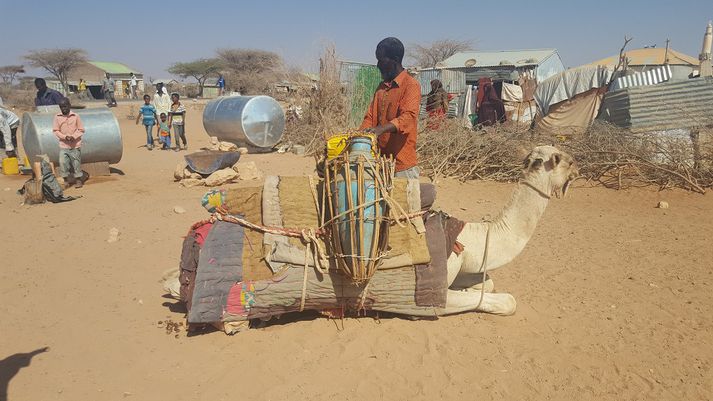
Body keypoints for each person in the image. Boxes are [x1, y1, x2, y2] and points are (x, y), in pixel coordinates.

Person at [359, 37, 421, 179]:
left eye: (381, 60)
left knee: (402, 201)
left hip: (401, 166)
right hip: (380, 163)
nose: (378, 65)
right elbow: (369, 117)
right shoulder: (381, 88)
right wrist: (358, 137)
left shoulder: (411, 85)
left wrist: (382, 128)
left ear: (395, 59)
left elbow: (409, 118)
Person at [52, 98, 85, 188]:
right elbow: (56, 130)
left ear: (69, 105)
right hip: (64, 145)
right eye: (61, 107)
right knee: (63, 162)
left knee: (76, 163)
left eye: (65, 106)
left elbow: (81, 129)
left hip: (75, 145)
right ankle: (66, 180)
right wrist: (64, 137)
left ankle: (78, 180)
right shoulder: (57, 117)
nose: (64, 109)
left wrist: (74, 136)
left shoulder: (76, 116)